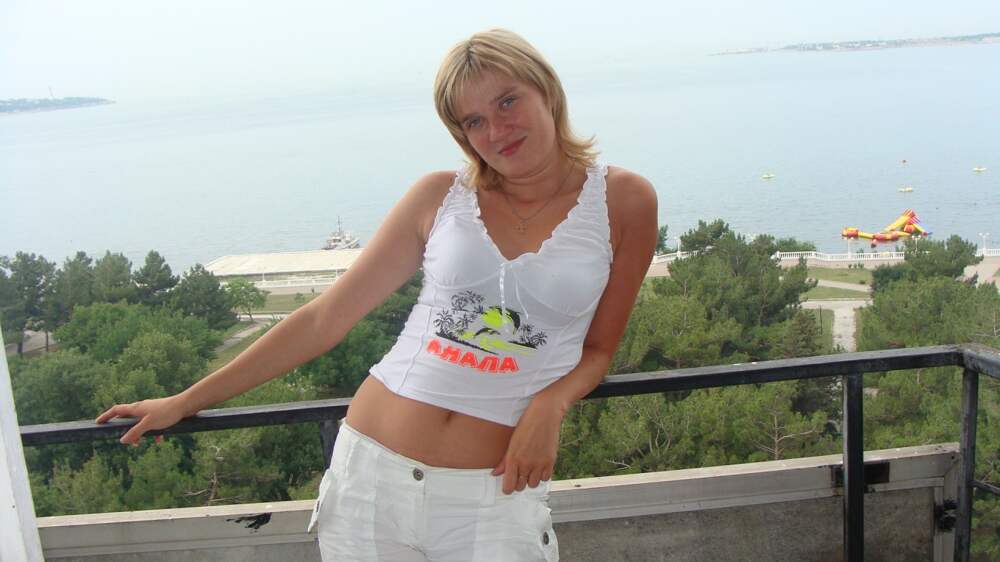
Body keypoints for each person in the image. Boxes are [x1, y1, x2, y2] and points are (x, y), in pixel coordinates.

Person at [96, 28, 657, 561]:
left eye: (508, 101)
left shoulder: (624, 201)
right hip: (370, 478)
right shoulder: (440, 196)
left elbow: (598, 350)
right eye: (474, 121)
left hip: (495, 492)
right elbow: (324, 319)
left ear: (546, 90)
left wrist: (551, 405)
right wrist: (185, 402)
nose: (497, 130)